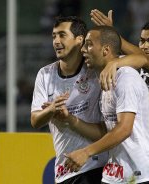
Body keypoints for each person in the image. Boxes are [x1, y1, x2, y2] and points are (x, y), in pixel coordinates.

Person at [55, 26, 149, 183]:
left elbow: (124, 129)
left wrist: (86, 152)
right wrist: (70, 120)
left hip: (143, 175)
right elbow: (106, 129)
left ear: (105, 49)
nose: (83, 50)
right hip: (115, 176)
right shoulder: (105, 79)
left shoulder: (126, 77)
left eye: (88, 44)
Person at [90, 10, 149, 184]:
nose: (144, 45)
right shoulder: (133, 68)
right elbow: (137, 58)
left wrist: (115, 60)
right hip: (135, 149)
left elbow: (145, 61)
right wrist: (111, 35)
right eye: (141, 40)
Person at [30, 16, 108, 184]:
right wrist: (51, 110)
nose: (56, 41)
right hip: (65, 170)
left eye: (62, 35)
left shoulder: (95, 71)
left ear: (80, 40)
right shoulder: (45, 74)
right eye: (54, 36)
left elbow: (105, 131)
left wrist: (69, 119)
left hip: (97, 167)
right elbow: (35, 120)